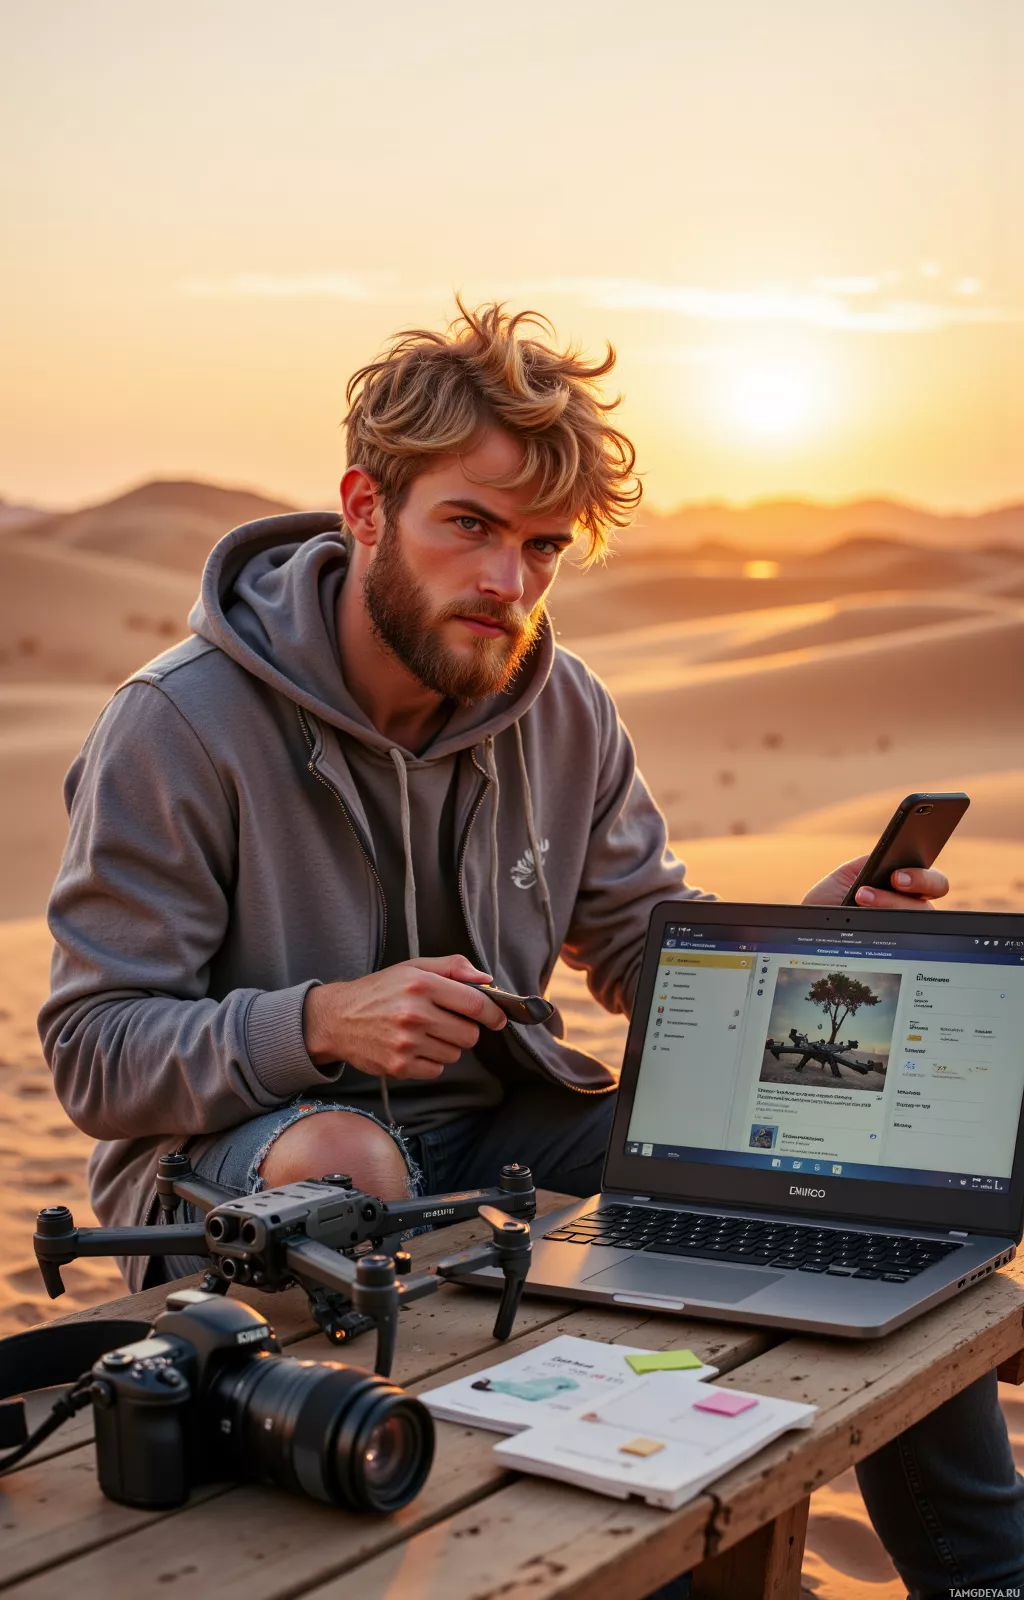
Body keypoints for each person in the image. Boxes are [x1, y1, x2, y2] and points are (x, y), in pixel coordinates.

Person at [40, 303, 1022, 1595]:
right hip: (236, 1162)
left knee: (825, 1185)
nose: (509, 582)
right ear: (366, 507)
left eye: (545, 547)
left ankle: (985, 1577)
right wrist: (320, 1023)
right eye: (473, 526)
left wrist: (797, 936)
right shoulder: (178, 725)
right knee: (351, 1157)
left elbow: (636, 947)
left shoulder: (559, 707)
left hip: (494, 1129)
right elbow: (93, 1054)